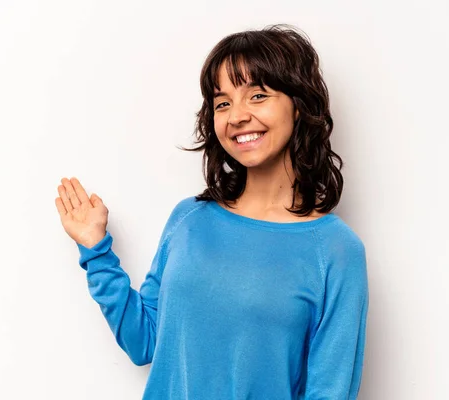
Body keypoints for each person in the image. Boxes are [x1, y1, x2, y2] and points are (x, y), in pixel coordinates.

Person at [55, 23, 369, 400]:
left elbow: (330, 392)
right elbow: (145, 343)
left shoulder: (335, 251)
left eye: (257, 95)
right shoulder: (189, 220)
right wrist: (97, 252)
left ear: (299, 105)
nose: (236, 116)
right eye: (223, 102)